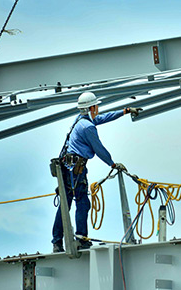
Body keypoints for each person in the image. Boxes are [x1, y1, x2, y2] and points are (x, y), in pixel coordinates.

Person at [52, 91, 140, 253]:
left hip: (68, 167)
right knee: (82, 203)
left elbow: (102, 118)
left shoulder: (81, 120)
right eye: (97, 106)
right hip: (76, 170)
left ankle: (57, 242)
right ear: (91, 107)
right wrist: (113, 164)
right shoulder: (88, 128)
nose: (98, 109)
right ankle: (81, 238)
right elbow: (98, 149)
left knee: (66, 204)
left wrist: (124, 111)